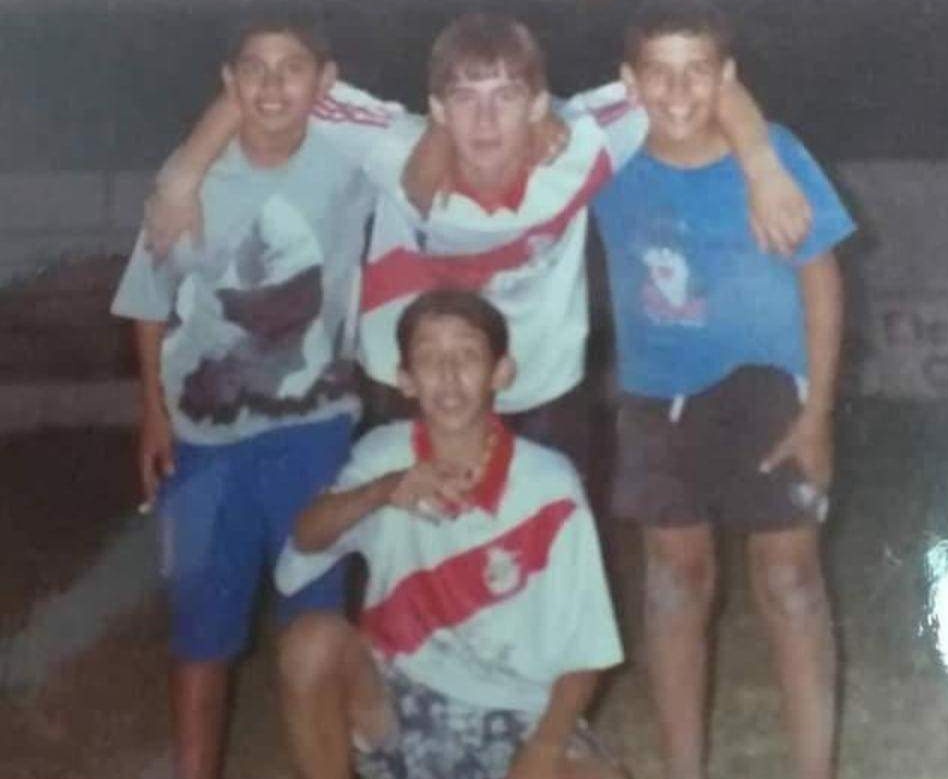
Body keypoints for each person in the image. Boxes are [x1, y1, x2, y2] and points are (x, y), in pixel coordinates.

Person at [145, 11, 811, 471]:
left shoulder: (580, 146)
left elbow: (691, 81)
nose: (486, 118)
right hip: (409, 384)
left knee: (539, 571)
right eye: (465, 97)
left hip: (542, 387)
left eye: (506, 96)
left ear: (537, 103)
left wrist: (763, 167)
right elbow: (276, 86)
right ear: (436, 107)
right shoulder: (388, 144)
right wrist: (181, 176)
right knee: (412, 565)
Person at [590, 4, 856, 779]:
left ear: (727, 78)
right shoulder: (605, 156)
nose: (678, 91)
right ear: (627, 81)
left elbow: (822, 277)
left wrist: (818, 414)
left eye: (698, 71)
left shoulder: (773, 154)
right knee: (675, 583)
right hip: (655, 396)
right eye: (658, 73)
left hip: (771, 386)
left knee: (790, 580)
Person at [109, 12, 374, 779]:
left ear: (325, 84)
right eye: (252, 68)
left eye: (293, 67)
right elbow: (151, 303)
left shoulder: (352, 163)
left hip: (316, 431)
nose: (271, 85)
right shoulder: (186, 181)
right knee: (200, 632)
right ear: (228, 82)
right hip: (203, 442)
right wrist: (154, 415)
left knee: (314, 623)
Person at [272, 288, 626, 779]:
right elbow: (307, 536)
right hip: (397, 699)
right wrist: (384, 490)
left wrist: (542, 750)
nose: (449, 374)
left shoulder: (550, 484)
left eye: (467, 354)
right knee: (308, 642)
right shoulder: (383, 455)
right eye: (428, 357)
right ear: (405, 379)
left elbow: (586, 647)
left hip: (516, 708)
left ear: (501, 372)